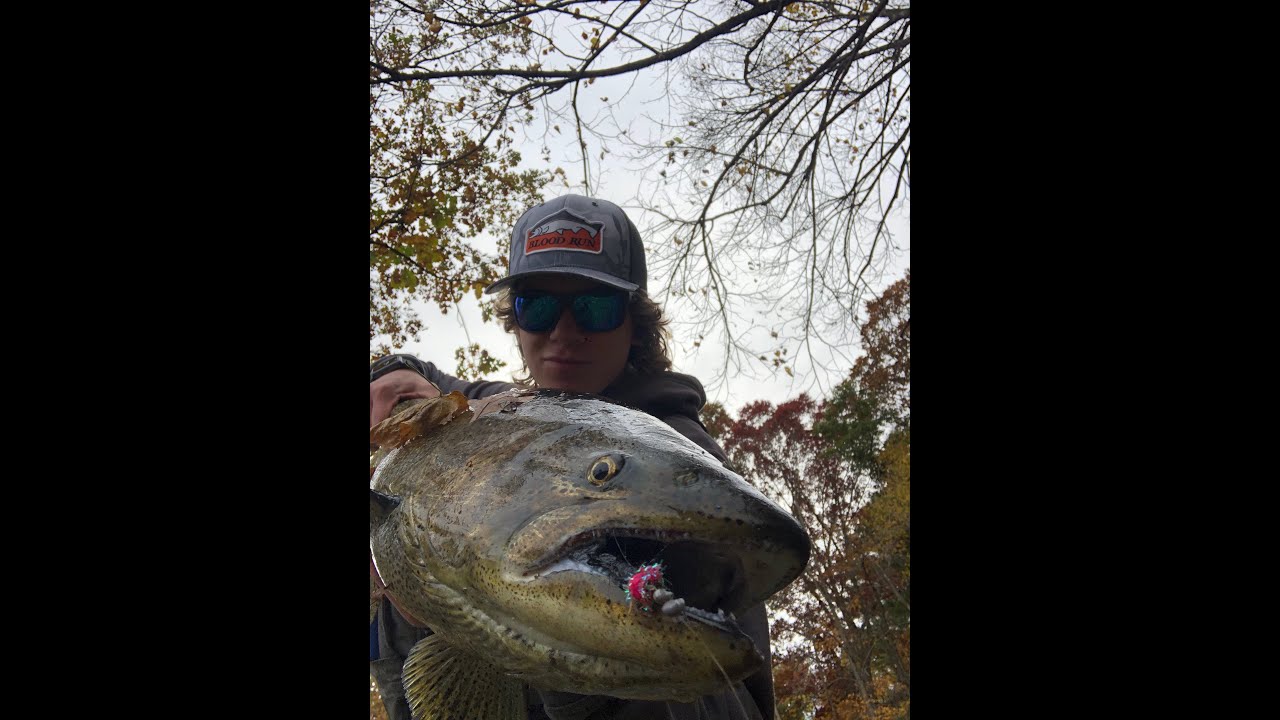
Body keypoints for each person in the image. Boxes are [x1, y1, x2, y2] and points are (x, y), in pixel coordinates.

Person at [369, 194, 775, 720]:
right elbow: (437, 379)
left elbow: (726, 697)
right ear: (514, 321)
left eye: (594, 306)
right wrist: (394, 375)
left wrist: (582, 683)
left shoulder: (675, 459)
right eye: (536, 306)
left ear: (635, 325)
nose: (563, 332)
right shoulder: (522, 412)